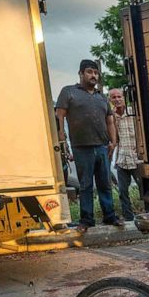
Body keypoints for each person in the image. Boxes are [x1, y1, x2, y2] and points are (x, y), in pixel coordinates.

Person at [55, 60, 123, 231]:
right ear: (81, 73)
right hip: (81, 147)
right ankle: (86, 220)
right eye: (89, 72)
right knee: (85, 185)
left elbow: (110, 121)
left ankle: (110, 216)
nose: (93, 75)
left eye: (96, 72)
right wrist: (62, 139)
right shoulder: (69, 92)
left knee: (105, 184)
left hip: (102, 146)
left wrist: (113, 142)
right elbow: (59, 116)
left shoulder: (101, 97)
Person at [108, 88, 142, 221]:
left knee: (143, 187)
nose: (117, 100)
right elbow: (113, 138)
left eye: (119, 97)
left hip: (136, 158)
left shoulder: (133, 113)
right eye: (113, 97)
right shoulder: (111, 117)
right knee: (123, 191)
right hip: (122, 159)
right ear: (110, 100)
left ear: (124, 98)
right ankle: (128, 217)